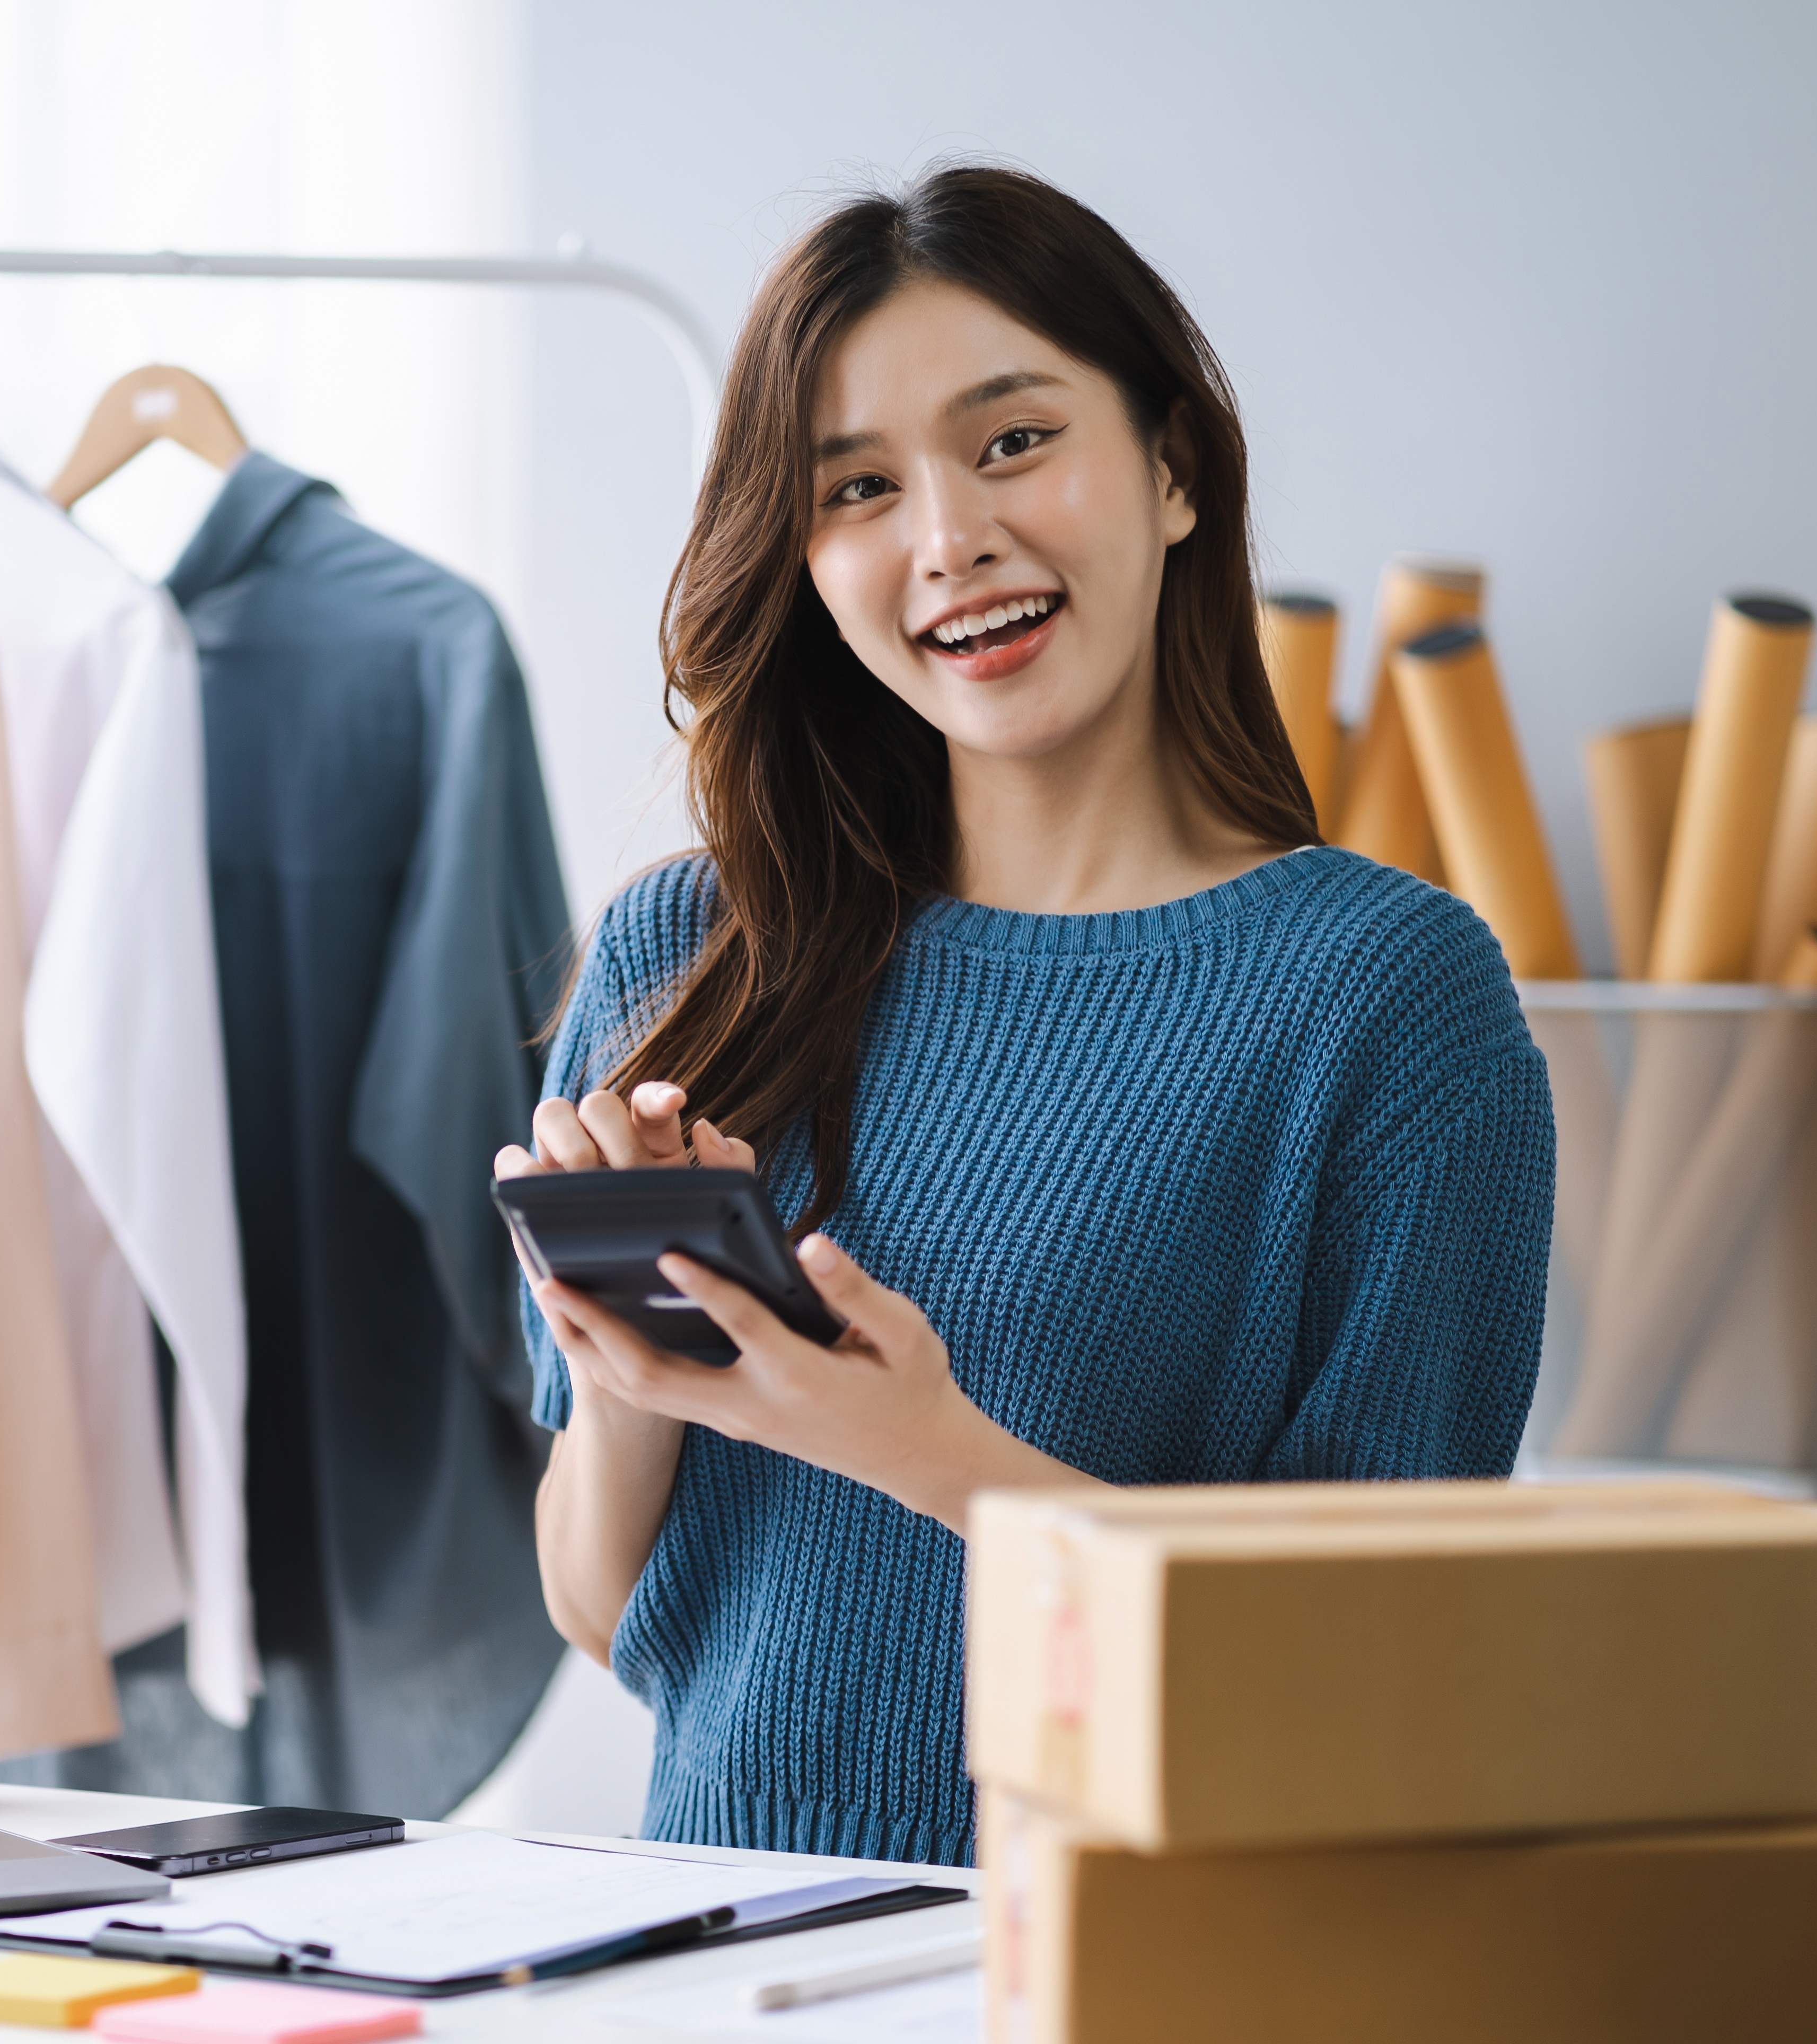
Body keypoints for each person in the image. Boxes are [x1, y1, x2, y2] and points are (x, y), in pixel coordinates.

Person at [498, 165, 1556, 1867]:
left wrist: (926, 1450)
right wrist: (632, 1378)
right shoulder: (689, 960)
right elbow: (601, 1604)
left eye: (1010, 443)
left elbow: (1372, 1669)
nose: (948, 540)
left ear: (1177, 470)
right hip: (717, 1981)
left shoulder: (1389, 1004)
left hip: (1142, 1998)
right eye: (856, 487)